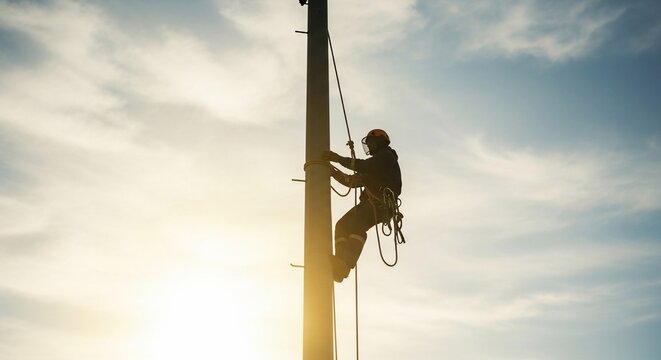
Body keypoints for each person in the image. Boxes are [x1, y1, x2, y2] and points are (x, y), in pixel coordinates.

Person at [322, 129, 402, 282]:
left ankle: (345, 264)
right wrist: (333, 173)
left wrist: (337, 158)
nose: (370, 147)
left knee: (357, 226)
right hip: (373, 204)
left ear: (380, 142)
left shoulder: (386, 156)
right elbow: (352, 182)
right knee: (342, 225)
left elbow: (362, 166)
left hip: (381, 204)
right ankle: (339, 264)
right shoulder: (374, 168)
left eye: (371, 143)